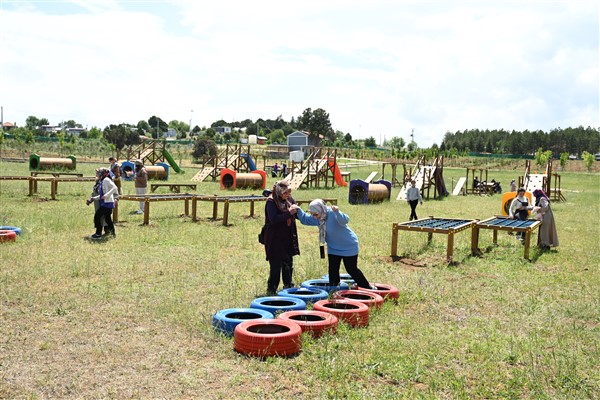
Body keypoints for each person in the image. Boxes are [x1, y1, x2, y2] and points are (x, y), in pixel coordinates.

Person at [292, 199, 375, 290]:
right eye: (312, 214)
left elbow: (345, 220)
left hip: (348, 245)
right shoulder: (318, 218)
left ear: (321, 209)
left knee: (351, 269)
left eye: (315, 214)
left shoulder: (332, 212)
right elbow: (305, 219)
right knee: (333, 270)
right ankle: (334, 290)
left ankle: (367, 287)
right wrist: (298, 210)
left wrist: (338, 212)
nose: (314, 217)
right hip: (333, 247)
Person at [262, 180, 299, 295]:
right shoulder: (271, 202)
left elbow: (295, 213)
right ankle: (272, 289)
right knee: (276, 265)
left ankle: (288, 287)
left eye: (288, 192)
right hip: (274, 237)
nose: (287, 195)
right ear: (278, 191)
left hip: (288, 236)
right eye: (285, 192)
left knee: (288, 263)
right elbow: (274, 219)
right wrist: (289, 213)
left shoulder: (289, 200)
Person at [86, 168, 117, 239]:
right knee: (107, 219)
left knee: (97, 217)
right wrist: (93, 198)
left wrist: (107, 195)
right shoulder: (102, 181)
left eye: (99, 173)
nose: (98, 174)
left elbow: (115, 188)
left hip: (107, 203)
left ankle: (98, 234)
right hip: (106, 203)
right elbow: (102, 195)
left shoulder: (106, 180)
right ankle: (113, 233)